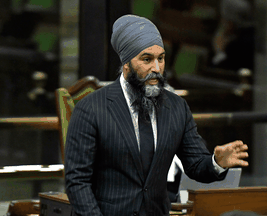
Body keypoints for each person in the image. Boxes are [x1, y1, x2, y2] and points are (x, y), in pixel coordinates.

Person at [65, 14, 249, 216]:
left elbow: (196, 165)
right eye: (147, 59)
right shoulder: (91, 108)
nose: (156, 68)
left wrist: (217, 162)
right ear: (126, 63)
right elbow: (77, 182)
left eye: (161, 58)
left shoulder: (177, 107)